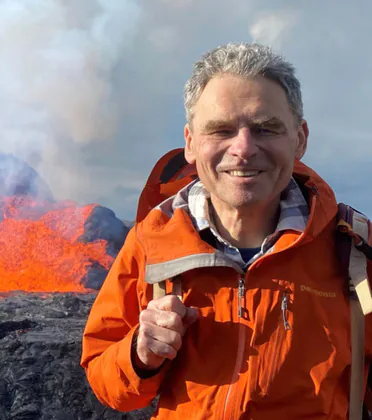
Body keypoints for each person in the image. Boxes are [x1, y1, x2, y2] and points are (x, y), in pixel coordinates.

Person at [80, 42, 372, 419]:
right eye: (220, 130)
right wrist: (139, 354)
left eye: (266, 128)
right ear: (190, 143)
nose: (243, 148)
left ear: (300, 138)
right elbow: (106, 379)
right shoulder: (152, 242)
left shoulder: (355, 251)